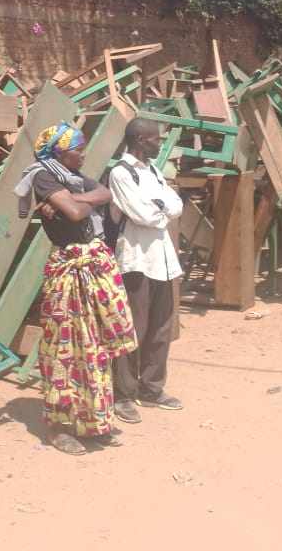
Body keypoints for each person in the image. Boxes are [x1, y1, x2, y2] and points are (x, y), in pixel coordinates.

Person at [13, 122, 136, 455]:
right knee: (65, 349)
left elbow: (105, 193)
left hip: (91, 268)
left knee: (93, 347)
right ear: (59, 152)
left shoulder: (71, 178)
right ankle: (59, 427)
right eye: (77, 150)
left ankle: (92, 423)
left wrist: (73, 197)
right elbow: (74, 212)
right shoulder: (42, 176)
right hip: (68, 272)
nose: (83, 154)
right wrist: (72, 202)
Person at [107, 118, 185, 424]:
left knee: (161, 328)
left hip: (162, 261)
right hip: (137, 262)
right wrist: (161, 209)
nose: (160, 144)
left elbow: (176, 204)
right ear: (140, 140)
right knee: (133, 330)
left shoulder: (152, 171)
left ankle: (151, 388)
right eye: (156, 139)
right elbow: (143, 215)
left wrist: (159, 207)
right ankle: (123, 394)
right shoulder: (120, 173)